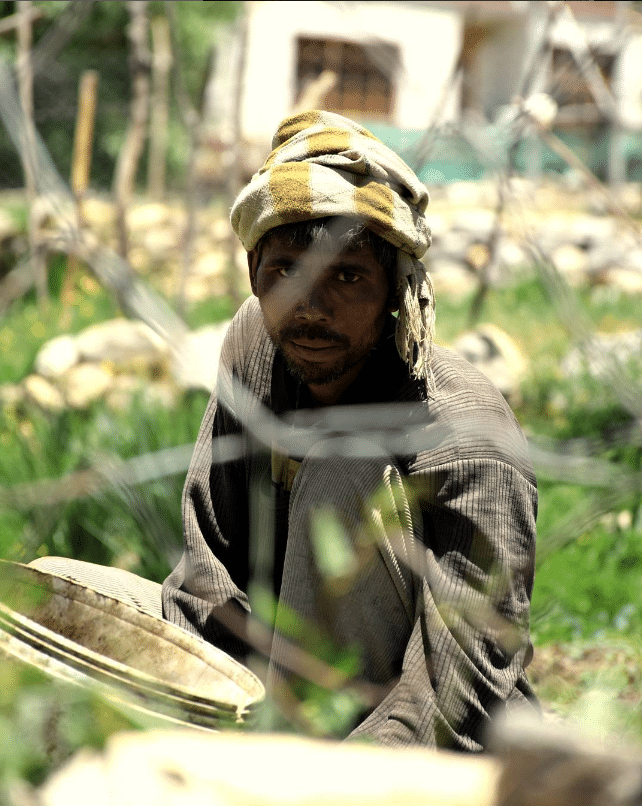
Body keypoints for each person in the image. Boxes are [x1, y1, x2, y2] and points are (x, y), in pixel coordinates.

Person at [161, 109, 538, 749]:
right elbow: (208, 566)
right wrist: (206, 714)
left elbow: (461, 682)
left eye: (347, 275)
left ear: (395, 288)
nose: (309, 306)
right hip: (266, 695)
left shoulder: (464, 433)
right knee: (66, 601)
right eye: (287, 271)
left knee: (337, 482)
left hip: (416, 737)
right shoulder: (253, 346)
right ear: (254, 271)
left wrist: (340, 776)